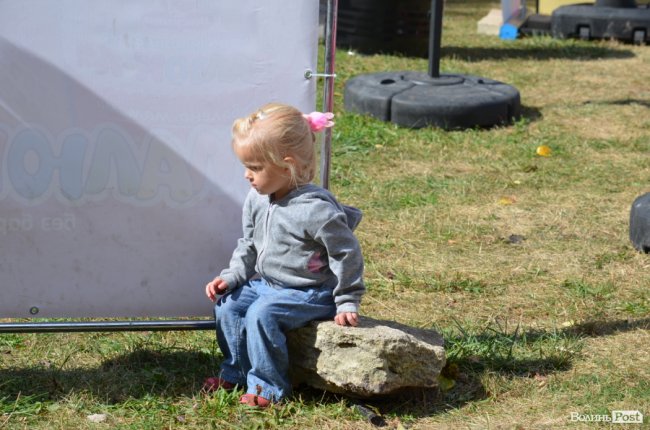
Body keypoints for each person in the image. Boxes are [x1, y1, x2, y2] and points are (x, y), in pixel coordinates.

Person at [204, 103, 365, 408]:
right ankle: (236, 371)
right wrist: (233, 276)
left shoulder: (316, 210)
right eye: (246, 166)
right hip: (269, 285)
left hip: (310, 292)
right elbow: (248, 244)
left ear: (286, 165)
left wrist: (347, 299)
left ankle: (268, 388)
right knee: (229, 305)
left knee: (262, 314)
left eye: (255, 167)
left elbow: (347, 253)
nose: (247, 175)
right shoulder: (257, 199)